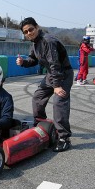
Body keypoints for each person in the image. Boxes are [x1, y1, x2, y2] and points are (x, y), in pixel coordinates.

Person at [16, 17, 74, 152]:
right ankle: (42, 125)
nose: (29, 33)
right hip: (51, 74)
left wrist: (57, 86)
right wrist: (23, 62)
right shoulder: (34, 43)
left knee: (59, 102)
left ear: (36, 27)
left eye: (31, 29)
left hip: (62, 74)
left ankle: (64, 138)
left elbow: (55, 64)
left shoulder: (48, 41)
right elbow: (33, 60)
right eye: (26, 32)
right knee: (38, 97)